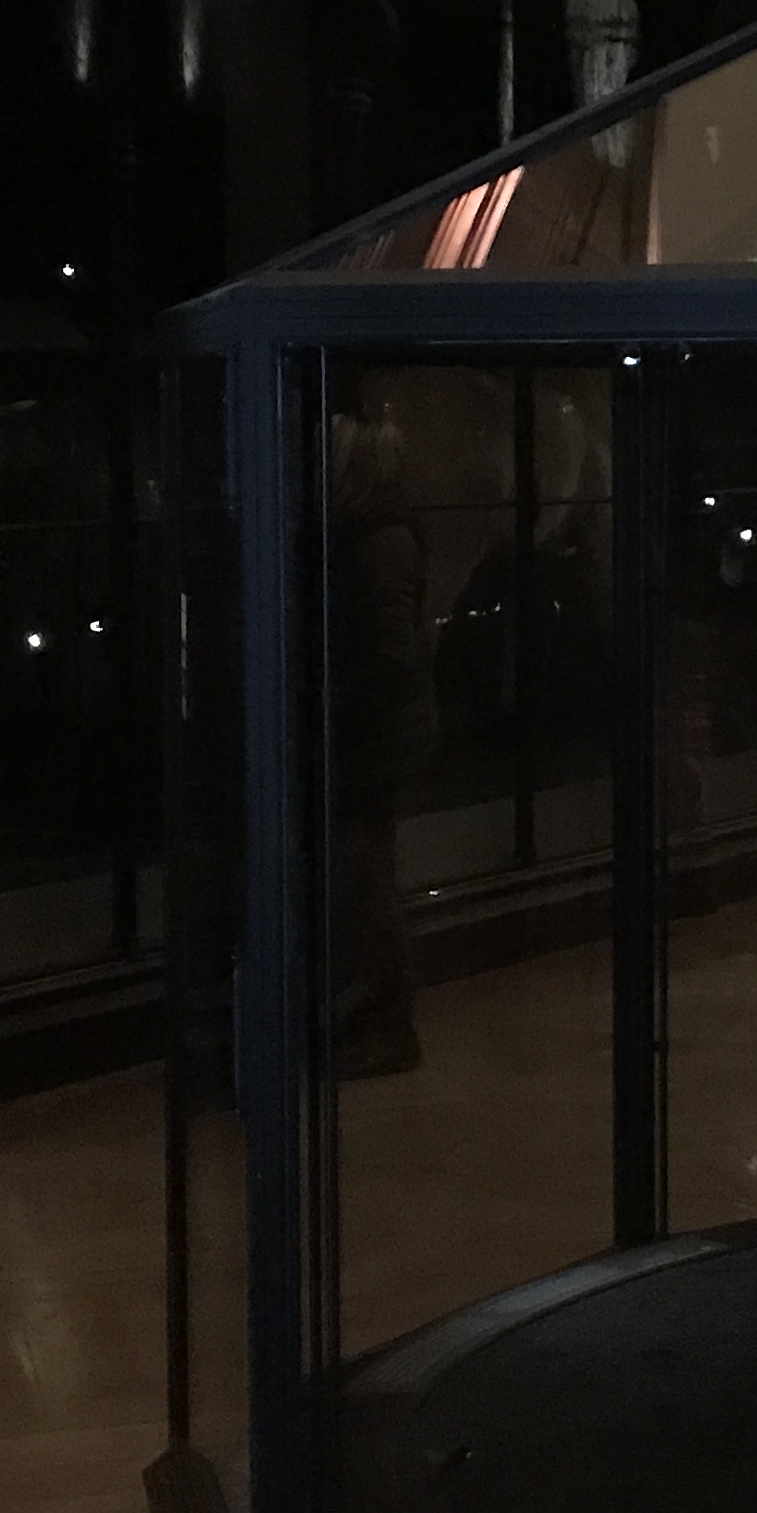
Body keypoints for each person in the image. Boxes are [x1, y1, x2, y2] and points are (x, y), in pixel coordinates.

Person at [327, 403, 439, 1077]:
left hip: (374, 736)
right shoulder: (384, 532)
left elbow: (388, 651)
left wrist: (346, 710)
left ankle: (388, 1023)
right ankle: (373, 1014)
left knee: (368, 881)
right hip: (381, 732)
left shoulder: (376, 540)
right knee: (365, 875)